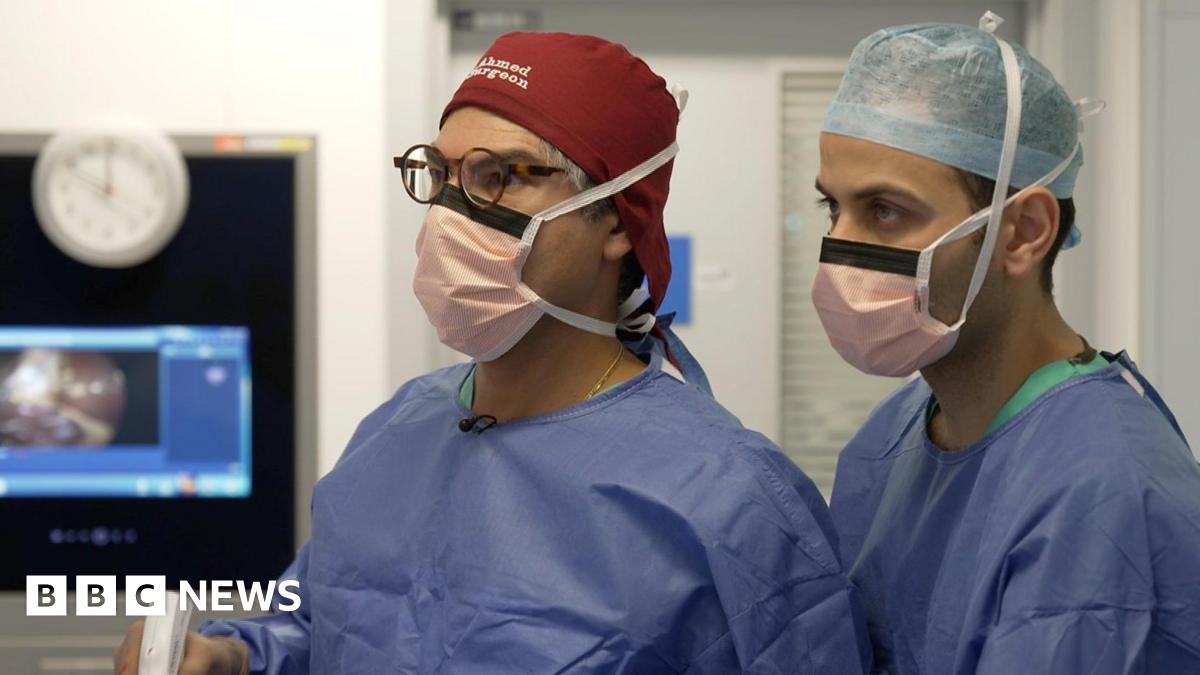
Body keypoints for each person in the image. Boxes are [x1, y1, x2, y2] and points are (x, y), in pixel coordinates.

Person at [114, 31, 869, 674]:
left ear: (615, 223)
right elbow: (327, 621)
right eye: (440, 174)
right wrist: (232, 655)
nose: (450, 211)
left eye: (497, 177)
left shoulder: (730, 498)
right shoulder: (397, 434)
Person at [809, 11, 1200, 674]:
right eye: (833, 207)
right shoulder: (891, 438)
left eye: (886, 211)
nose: (842, 249)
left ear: (1022, 232)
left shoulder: (1104, 494)